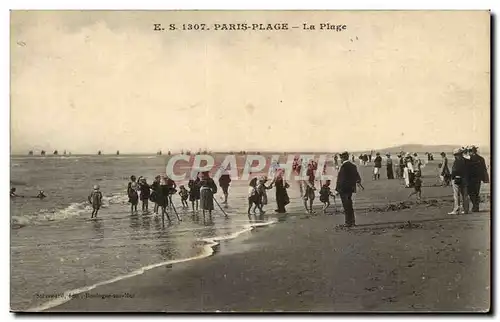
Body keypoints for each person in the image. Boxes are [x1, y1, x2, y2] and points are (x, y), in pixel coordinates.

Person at [335, 152, 361, 228]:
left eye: (341, 158)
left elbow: (341, 179)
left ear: (343, 158)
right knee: (349, 205)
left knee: (346, 206)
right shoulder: (353, 166)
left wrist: (337, 189)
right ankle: (352, 222)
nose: (340, 160)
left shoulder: (343, 167)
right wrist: (357, 181)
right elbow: (357, 177)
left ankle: (348, 222)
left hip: (343, 189)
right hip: (350, 188)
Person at [466, 146, 489, 212]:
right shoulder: (481, 158)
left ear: (471, 151)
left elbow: (466, 169)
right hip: (478, 178)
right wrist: (485, 179)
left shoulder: (469, 159)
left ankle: (475, 206)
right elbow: (484, 169)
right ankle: (476, 206)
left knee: (471, 192)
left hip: (470, 178)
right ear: (476, 151)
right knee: (476, 192)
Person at [449, 148, 469, 215]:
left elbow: (455, 170)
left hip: (457, 179)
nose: (455, 156)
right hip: (465, 179)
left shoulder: (457, 161)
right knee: (465, 195)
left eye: (455, 154)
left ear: (456, 154)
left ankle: (456, 210)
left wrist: (452, 177)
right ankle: (465, 210)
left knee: (456, 195)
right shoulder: (466, 161)